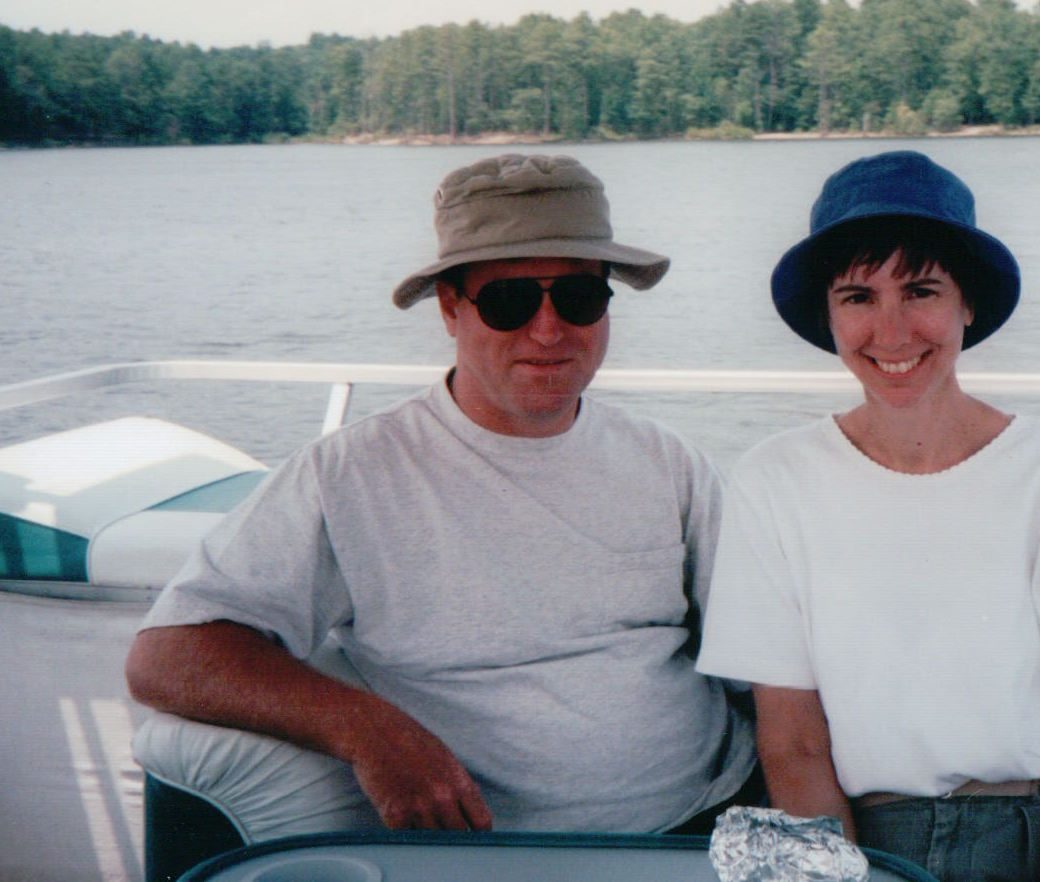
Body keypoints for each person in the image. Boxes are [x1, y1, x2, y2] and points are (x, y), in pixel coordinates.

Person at [125, 153, 757, 834]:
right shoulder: (349, 474)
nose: (549, 329)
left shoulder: (668, 462)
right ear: (451, 309)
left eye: (579, 297)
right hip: (487, 855)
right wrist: (369, 731)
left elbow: (760, 660)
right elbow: (168, 657)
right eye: (510, 300)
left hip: (710, 817)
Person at [697, 150, 1040, 882]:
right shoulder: (772, 480)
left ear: (968, 303)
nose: (892, 331)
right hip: (871, 850)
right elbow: (794, 749)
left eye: (921, 291)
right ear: (829, 317)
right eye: (858, 297)